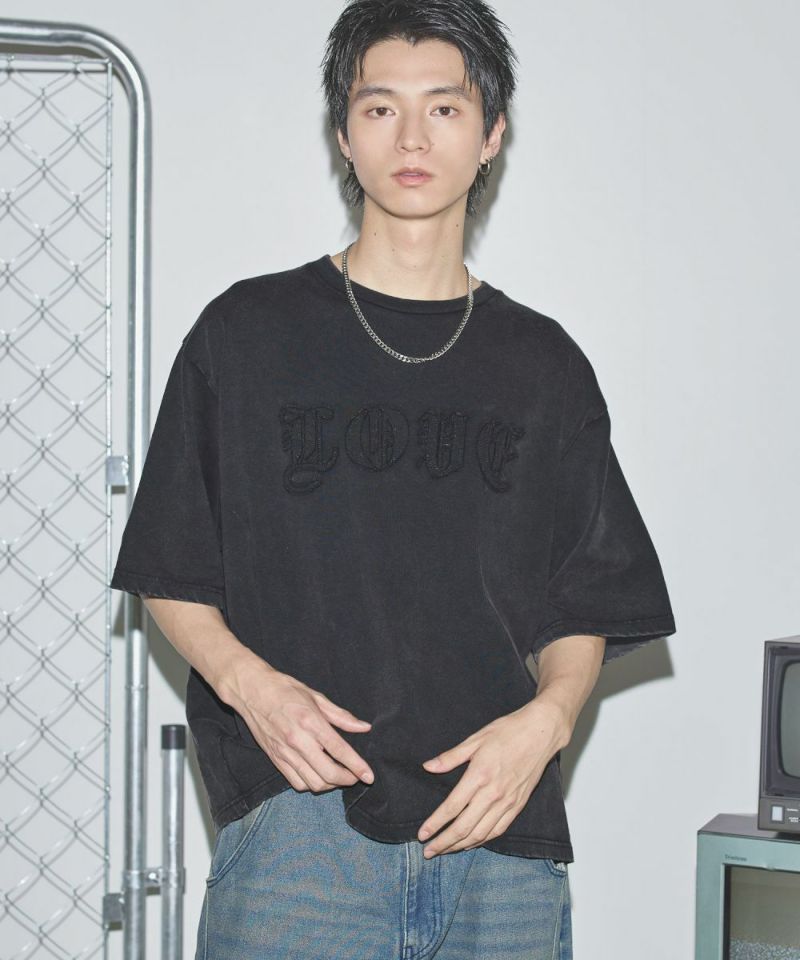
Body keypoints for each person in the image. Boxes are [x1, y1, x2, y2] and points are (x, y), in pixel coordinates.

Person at [110, 1, 677, 957]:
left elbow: (585, 595)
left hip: (499, 832)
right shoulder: (245, 335)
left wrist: (546, 724)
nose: (412, 137)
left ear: (491, 134)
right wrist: (252, 687)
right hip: (299, 828)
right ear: (343, 131)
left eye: (445, 108)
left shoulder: (544, 365)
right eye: (380, 108)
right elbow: (170, 561)